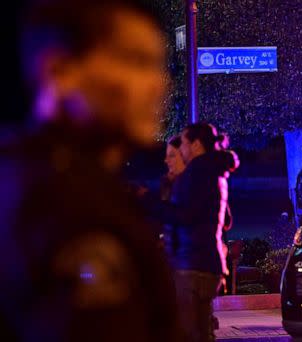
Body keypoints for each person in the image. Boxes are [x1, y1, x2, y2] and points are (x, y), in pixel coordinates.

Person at [0, 0, 179, 341]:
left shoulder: (32, 176)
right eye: (136, 61)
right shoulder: (62, 205)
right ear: (60, 71)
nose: (158, 84)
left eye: (159, 65)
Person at [147, 122, 239, 342]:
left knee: (189, 332)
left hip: (192, 262)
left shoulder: (196, 174)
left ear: (195, 145)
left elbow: (186, 216)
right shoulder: (212, 173)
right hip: (201, 261)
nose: (168, 160)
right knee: (199, 331)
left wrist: (149, 202)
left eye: (180, 149)